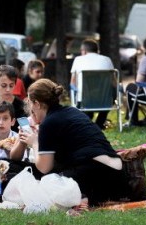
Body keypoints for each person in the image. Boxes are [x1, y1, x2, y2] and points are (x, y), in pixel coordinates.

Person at [18, 78, 127, 206]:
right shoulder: (72, 111)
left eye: (30, 103)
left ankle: (83, 199)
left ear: (36, 103)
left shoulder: (49, 123)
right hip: (119, 175)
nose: (30, 109)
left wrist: (35, 143)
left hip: (99, 174)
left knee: (45, 181)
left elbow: (44, 167)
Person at [70, 38, 115, 129]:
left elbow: (73, 82)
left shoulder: (78, 60)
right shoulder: (107, 59)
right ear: (97, 50)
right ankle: (99, 122)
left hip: (84, 100)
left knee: (80, 93)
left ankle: (87, 121)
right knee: (111, 93)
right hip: (104, 100)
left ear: (84, 51)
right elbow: (113, 82)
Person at [0, 65, 27, 132]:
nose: (8, 89)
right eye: (4, 86)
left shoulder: (23, 107)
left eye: (11, 85)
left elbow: (26, 130)